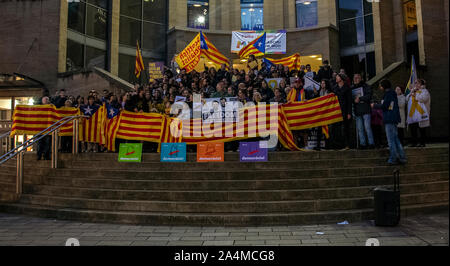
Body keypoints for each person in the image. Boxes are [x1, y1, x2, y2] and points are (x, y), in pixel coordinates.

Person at [371, 80, 407, 165]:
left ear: (384, 86)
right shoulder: (391, 93)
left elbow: (385, 106)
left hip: (390, 119)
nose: (380, 88)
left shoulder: (389, 94)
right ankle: (402, 157)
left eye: (380, 86)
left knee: (391, 140)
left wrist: (374, 106)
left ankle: (393, 158)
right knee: (395, 139)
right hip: (392, 118)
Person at [352, 74, 375, 149]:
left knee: (367, 128)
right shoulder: (352, 88)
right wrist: (354, 100)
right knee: (360, 129)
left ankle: (371, 143)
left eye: (357, 78)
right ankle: (363, 144)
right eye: (354, 78)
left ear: (361, 79)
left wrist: (360, 98)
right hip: (358, 111)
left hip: (366, 110)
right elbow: (350, 98)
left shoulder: (366, 86)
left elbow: (369, 96)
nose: (356, 79)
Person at [406, 79, 431, 147]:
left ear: (421, 84)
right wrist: (410, 94)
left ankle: (422, 143)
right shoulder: (413, 91)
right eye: (415, 83)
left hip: (421, 112)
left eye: (417, 83)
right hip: (413, 113)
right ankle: (414, 142)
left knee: (422, 129)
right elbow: (406, 99)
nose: (416, 84)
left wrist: (415, 95)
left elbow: (423, 99)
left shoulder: (425, 91)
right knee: (413, 128)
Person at [333, 73, 352, 150]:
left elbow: (349, 101)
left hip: (345, 110)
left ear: (341, 78)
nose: (336, 78)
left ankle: (347, 145)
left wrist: (349, 113)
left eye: (337, 77)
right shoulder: (335, 88)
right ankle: (338, 145)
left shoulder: (347, 88)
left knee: (345, 128)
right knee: (337, 128)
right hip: (337, 111)